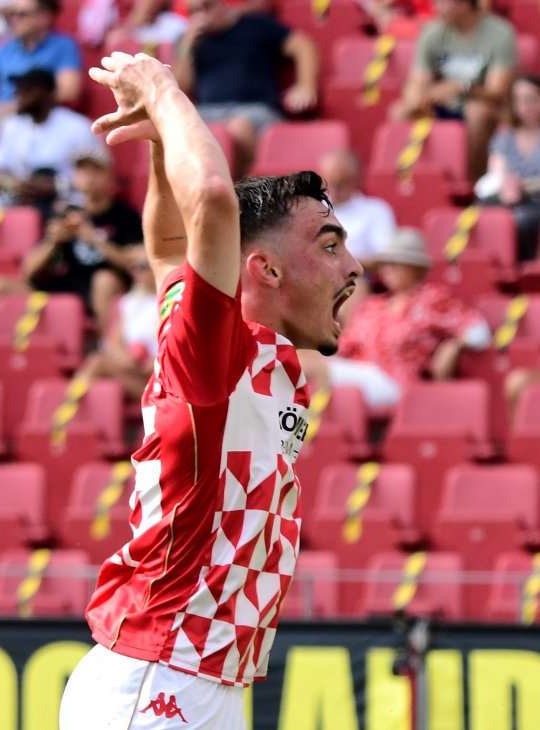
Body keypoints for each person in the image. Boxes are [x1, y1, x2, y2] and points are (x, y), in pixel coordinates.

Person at [59, 50, 361, 730]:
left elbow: (169, 244)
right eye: (331, 243)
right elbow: (212, 202)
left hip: (203, 680)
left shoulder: (244, 350)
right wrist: (162, 89)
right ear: (268, 271)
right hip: (160, 674)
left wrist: (163, 141)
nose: (355, 265)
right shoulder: (216, 354)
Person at [300, 227, 491, 410]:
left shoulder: (431, 300)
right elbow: (345, 346)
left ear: (415, 268)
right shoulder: (374, 305)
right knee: (296, 359)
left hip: (399, 382)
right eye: (384, 264)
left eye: (394, 264)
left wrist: (455, 345)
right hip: (362, 373)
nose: (386, 270)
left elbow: (478, 331)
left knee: (305, 365)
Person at [0, 149, 144, 336]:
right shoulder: (66, 212)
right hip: (69, 285)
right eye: (83, 171)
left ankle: (107, 348)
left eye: (96, 171)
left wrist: (92, 237)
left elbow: (134, 263)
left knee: (104, 280)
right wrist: (54, 241)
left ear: (109, 176)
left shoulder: (125, 215)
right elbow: (28, 271)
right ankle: (17, 354)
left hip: (106, 289)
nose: (89, 178)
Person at [173, 0, 319, 177]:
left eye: (207, 6)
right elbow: (180, 87)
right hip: (208, 112)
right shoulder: (188, 41)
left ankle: (245, 192)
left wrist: (305, 86)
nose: (202, 16)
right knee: (179, 129)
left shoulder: (255, 25)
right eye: (194, 11)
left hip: (255, 110)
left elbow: (302, 46)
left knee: (238, 128)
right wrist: (187, 47)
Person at [392, 0, 517, 182]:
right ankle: (411, 181)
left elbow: (498, 91)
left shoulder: (500, 33)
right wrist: (418, 97)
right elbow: (418, 80)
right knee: (400, 112)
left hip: (483, 106)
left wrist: (461, 87)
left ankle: (473, 184)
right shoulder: (433, 33)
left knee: (477, 113)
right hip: (441, 104)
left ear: (464, 5)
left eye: (442, 2)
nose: (435, 7)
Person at [0, 68, 105, 218]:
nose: (18, 95)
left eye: (27, 89)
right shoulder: (11, 125)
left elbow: (99, 174)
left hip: (66, 203)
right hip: (20, 201)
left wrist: (57, 186)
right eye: (19, 89)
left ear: (46, 93)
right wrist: (15, 184)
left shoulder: (77, 126)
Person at [0, 0, 82, 121]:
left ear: (45, 16)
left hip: (36, 118)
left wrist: (18, 106)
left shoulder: (63, 46)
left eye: (21, 14)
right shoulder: (7, 47)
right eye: (11, 14)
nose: (14, 20)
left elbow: (68, 91)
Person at [76, 248, 159, 401]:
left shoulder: (172, 301)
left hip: (158, 377)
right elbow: (114, 343)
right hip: (132, 370)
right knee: (97, 363)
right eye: (133, 267)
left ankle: (69, 408)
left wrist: (155, 361)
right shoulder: (129, 303)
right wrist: (124, 358)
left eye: (142, 266)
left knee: (97, 363)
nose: (136, 272)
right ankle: (74, 409)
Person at [476, 75, 540, 262]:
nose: (526, 106)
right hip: (509, 198)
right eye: (519, 100)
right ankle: (490, 265)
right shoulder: (505, 136)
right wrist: (506, 184)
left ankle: (522, 270)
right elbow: (496, 172)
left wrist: (523, 186)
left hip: (536, 199)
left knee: (520, 219)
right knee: (482, 211)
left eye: (531, 99)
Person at [319, 149, 396, 267]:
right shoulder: (308, 209)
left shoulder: (375, 210)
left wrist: (340, 262)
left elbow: (385, 257)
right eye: (328, 183)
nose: (334, 190)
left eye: (341, 184)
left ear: (357, 180)